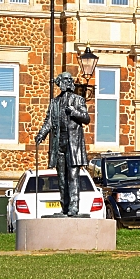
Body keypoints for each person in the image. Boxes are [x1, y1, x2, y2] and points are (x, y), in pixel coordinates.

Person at [34, 72, 90, 216]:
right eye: (65, 80)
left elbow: (86, 118)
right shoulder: (54, 103)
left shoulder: (78, 100)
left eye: (70, 79)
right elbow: (49, 122)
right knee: (62, 178)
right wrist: (42, 134)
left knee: (73, 176)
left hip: (73, 144)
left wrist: (74, 112)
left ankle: (74, 207)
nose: (69, 82)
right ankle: (64, 207)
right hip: (59, 143)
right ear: (60, 83)